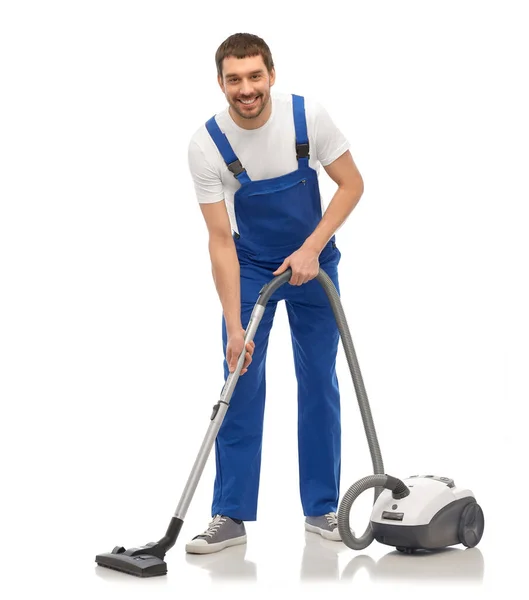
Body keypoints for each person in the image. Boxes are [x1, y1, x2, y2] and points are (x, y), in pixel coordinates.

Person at [186, 33, 364, 554]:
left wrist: (311, 249)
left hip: (315, 266)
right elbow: (219, 239)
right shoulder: (206, 145)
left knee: (319, 383)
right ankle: (230, 514)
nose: (246, 89)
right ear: (221, 82)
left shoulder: (308, 118)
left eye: (254, 76)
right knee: (239, 378)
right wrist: (235, 324)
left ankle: (322, 509)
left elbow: (352, 184)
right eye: (234, 79)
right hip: (253, 266)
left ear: (271, 74)